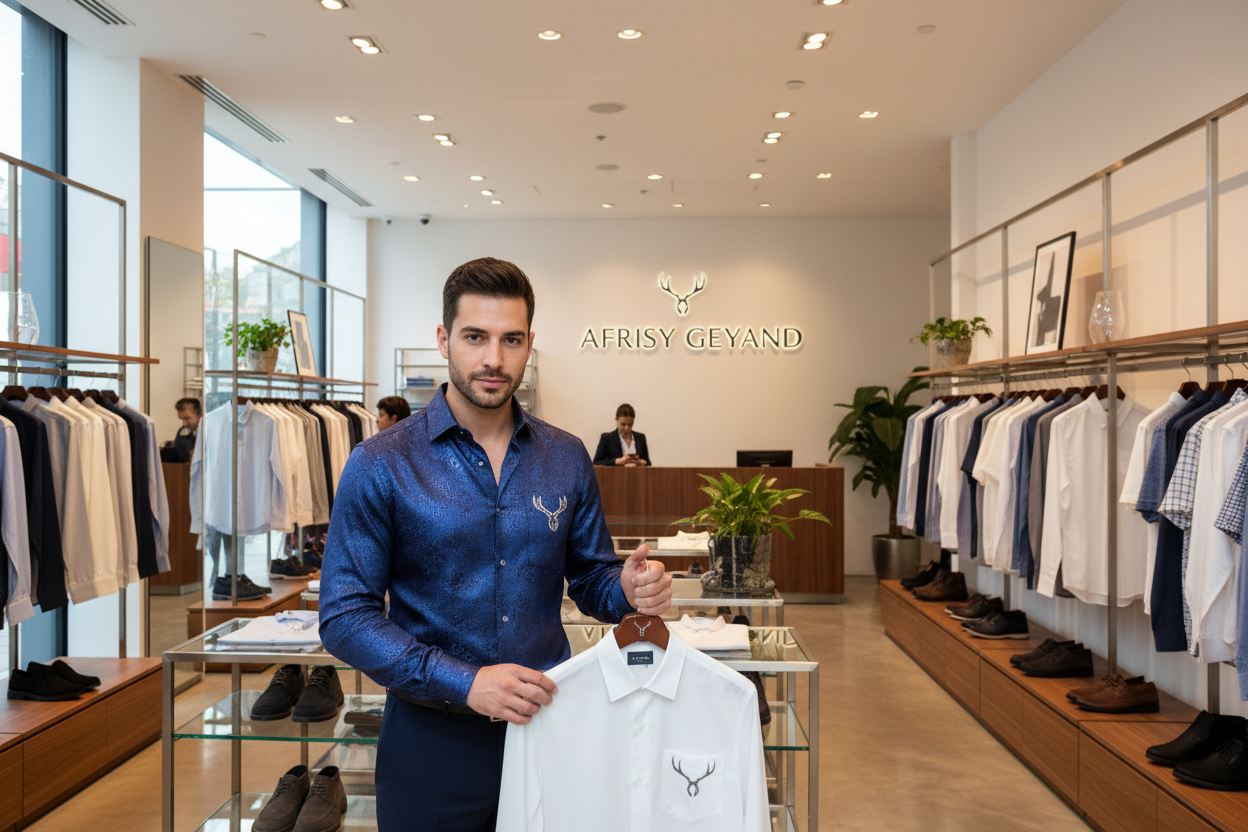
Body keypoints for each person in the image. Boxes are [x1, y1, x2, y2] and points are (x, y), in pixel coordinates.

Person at [319, 257, 672, 832]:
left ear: (529, 344)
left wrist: (628, 588)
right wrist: (467, 681)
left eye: (511, 340)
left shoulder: (566, 456)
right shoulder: (381, 464)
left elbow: (590, 579)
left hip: (551, 727)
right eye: (475, 337)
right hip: (430, 743)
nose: (493, 359)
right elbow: (343, 617)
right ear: (443, 339)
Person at [172, 397, 200, 463]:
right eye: (181, 419)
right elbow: (179, 456)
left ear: (199, 415)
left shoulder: (209, 432)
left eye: (187, 418)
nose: (184, 424)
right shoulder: (182, 432)